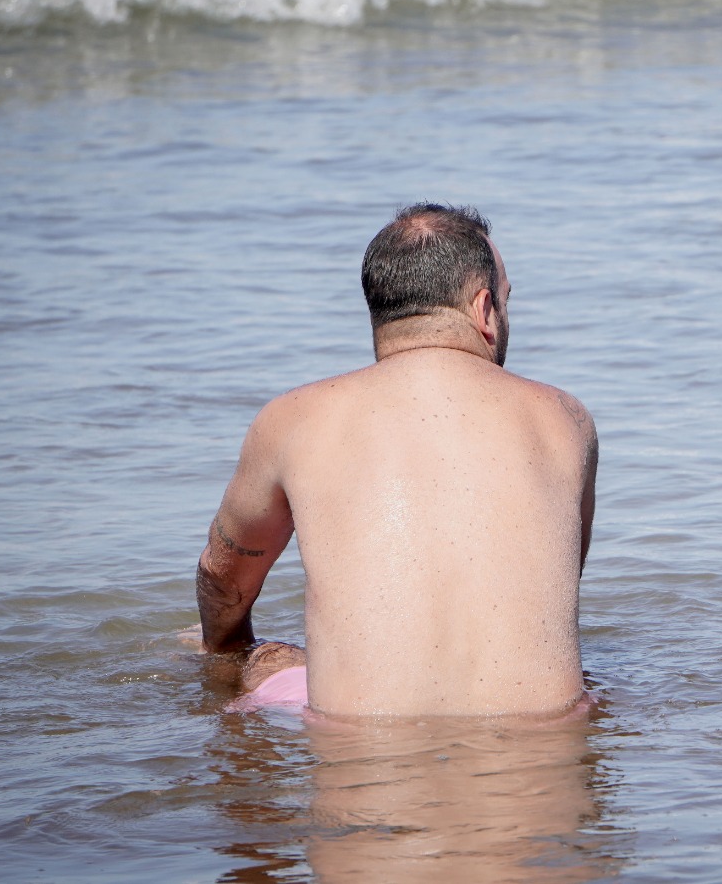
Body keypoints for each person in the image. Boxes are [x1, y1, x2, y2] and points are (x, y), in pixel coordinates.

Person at [195, 203, 598, 718]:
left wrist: (229, 656)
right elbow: (559, 585)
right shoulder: (565, 418)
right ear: (483, 310)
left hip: (365, 759)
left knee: (268, 659)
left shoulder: (292, 419)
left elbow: (223, 579)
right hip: (541, 757)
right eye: (507, 300)